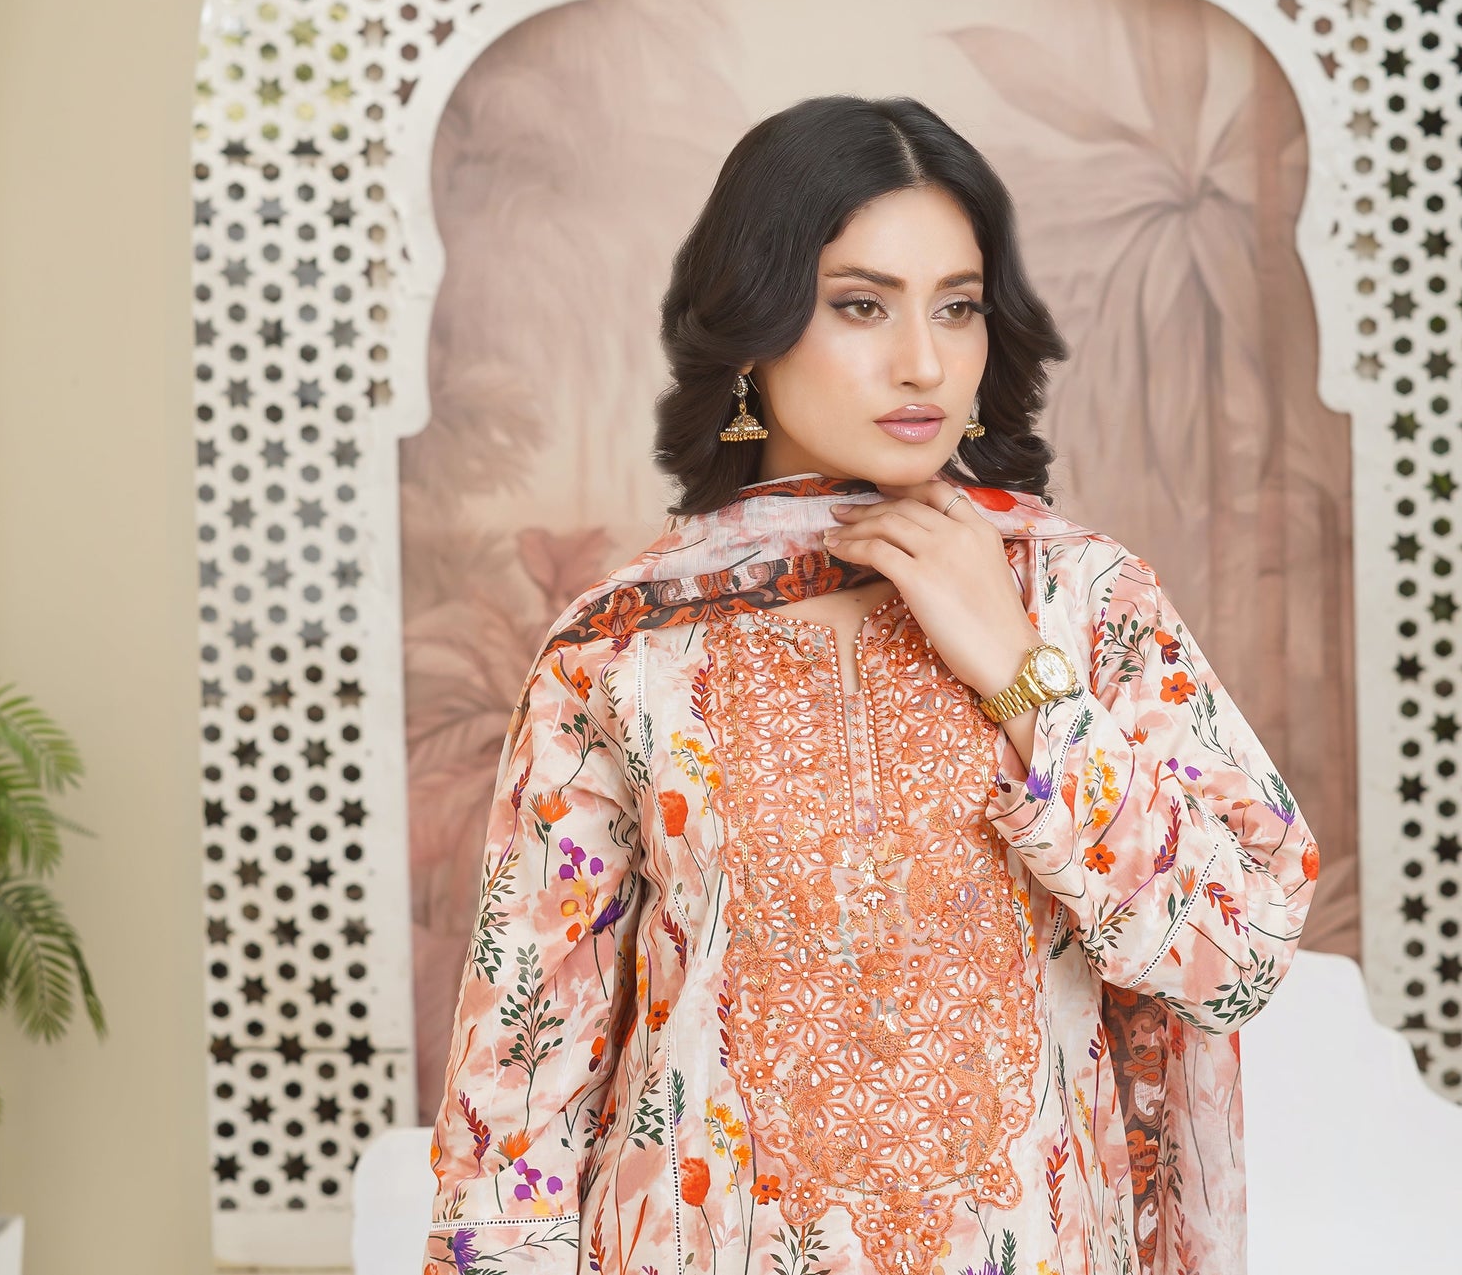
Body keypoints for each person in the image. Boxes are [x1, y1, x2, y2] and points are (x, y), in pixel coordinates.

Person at [424, 95, 1319, 1275]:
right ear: (752, 328)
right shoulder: (624, 648)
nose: (922, 363)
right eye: (860, 305)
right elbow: (516, 1102)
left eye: (956, 307)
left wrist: (1019, 676)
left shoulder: (1079, 600)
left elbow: (1235, 953)